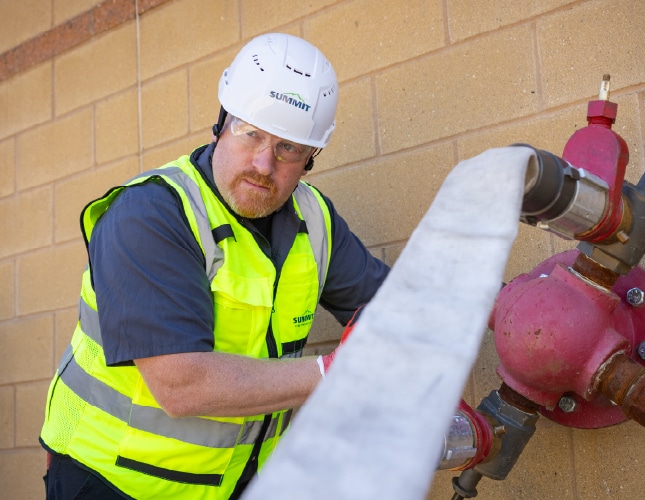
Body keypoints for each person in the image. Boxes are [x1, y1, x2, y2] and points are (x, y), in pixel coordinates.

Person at [39, 33, 390, 499]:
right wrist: (334, 371)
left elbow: (392, 306)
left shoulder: (315, 219)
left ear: (311, 159)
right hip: (110, 481)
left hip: (228, 486)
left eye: (289, 149)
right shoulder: (151, 214)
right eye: (252, 133)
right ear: (221, 123)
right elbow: (182, 384)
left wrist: (496, 304)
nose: (264, 163)